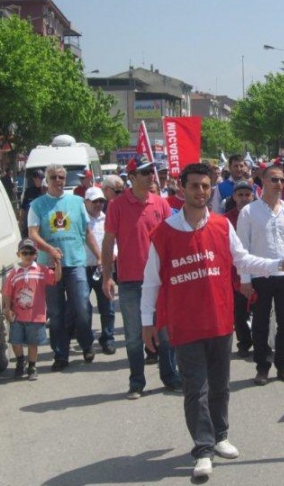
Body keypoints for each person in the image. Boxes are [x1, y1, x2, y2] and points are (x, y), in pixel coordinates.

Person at [140, 162, 284, 479]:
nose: (201, 191)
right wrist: (147, 323)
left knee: (219, 387)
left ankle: (220, 435)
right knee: (195, 390)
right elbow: (151, 282)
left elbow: (243, 260)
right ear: (182, 188)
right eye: (194, 186)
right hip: (185, 325)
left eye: (205, 186)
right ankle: (202, 449)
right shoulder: (164, 233)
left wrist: (279, 264)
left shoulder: (222, 225)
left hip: (219, 321)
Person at [102, 155, 181, 400]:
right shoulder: (116, 206)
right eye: (145, 173)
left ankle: (170, 376)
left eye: (151, 172)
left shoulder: (161, 203)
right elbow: (108, 243)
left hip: (160, 280)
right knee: (134, 336)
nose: (150, 177)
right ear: (132, 177)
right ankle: (136, 382)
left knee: (165, 332)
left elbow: (172, 240)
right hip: (130, 281)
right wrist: (107, 276)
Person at [28, 164, 101, 371]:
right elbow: (33, 234)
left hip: (75, 262)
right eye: (54, 177)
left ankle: (86, 344)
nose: (58, 181)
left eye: (61, 177)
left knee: (82, 306)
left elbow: (87, 232)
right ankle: (61, 354)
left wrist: (99, 256)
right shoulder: (37, 205)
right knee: (56, 312)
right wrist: (49, 249)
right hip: (50, 266)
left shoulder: (77, 202)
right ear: (47, 180)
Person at [237, 164, 284, 386]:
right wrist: (245, 279)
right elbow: (242, 249)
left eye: (282, 180)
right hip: (260, 275)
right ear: (263, 181)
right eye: (274, 180)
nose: (279, 184)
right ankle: (262, 367)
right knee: (261, 324)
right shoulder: (248, 212)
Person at [3, 238, 62, 381]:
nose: (28, 256)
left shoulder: (41, 270)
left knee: (32, 343)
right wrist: (7, 309)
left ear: (36, 254)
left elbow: (56, 278)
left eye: (31, 253)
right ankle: (20, 361)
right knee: (15, 341)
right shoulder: (14, 273)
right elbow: (7, 293)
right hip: (17, 315)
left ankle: (32, 366)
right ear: (18, 254)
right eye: (25, 253)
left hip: (35, 316)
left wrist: (57, 264)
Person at [224, 180, 256, 358]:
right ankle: (244, 342)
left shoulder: (259, 215)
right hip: (235, 272)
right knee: (239, 310)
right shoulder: (226, 219)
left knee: (260, 310)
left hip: (258, 268)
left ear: (253, 196)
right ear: (234, 197)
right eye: (240, 195)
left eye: (247, 194)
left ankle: (260, 341)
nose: (244, 198)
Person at [84, 187, 116, 355]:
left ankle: (108, 338)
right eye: (94, 201)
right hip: (83, 268)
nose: (98, 204)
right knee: (83, 308)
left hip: (104, 268)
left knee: (107, 306)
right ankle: (87, 342)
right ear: (86, 202)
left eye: (101, 201)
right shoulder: (81, 219)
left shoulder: (107, 219)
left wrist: (114, 254)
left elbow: (115, 241)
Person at [19, 169, 46, 237]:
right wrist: (21, 220)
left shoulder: (46, 190)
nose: (40, 180)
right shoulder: (29, 191)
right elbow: (23, 207)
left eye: (42, 178)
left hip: (42, 221)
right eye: (38, 178)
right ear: (34, 179)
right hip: (29, 221)